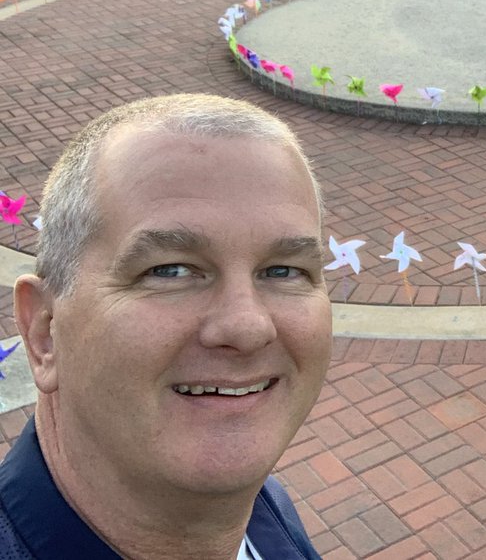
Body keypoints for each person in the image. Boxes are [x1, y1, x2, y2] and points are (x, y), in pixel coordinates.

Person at [2, 94, 331, 559]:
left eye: (283, 271)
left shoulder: (265, 511)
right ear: (43, 332)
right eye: (170, 270)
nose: (247, 326)